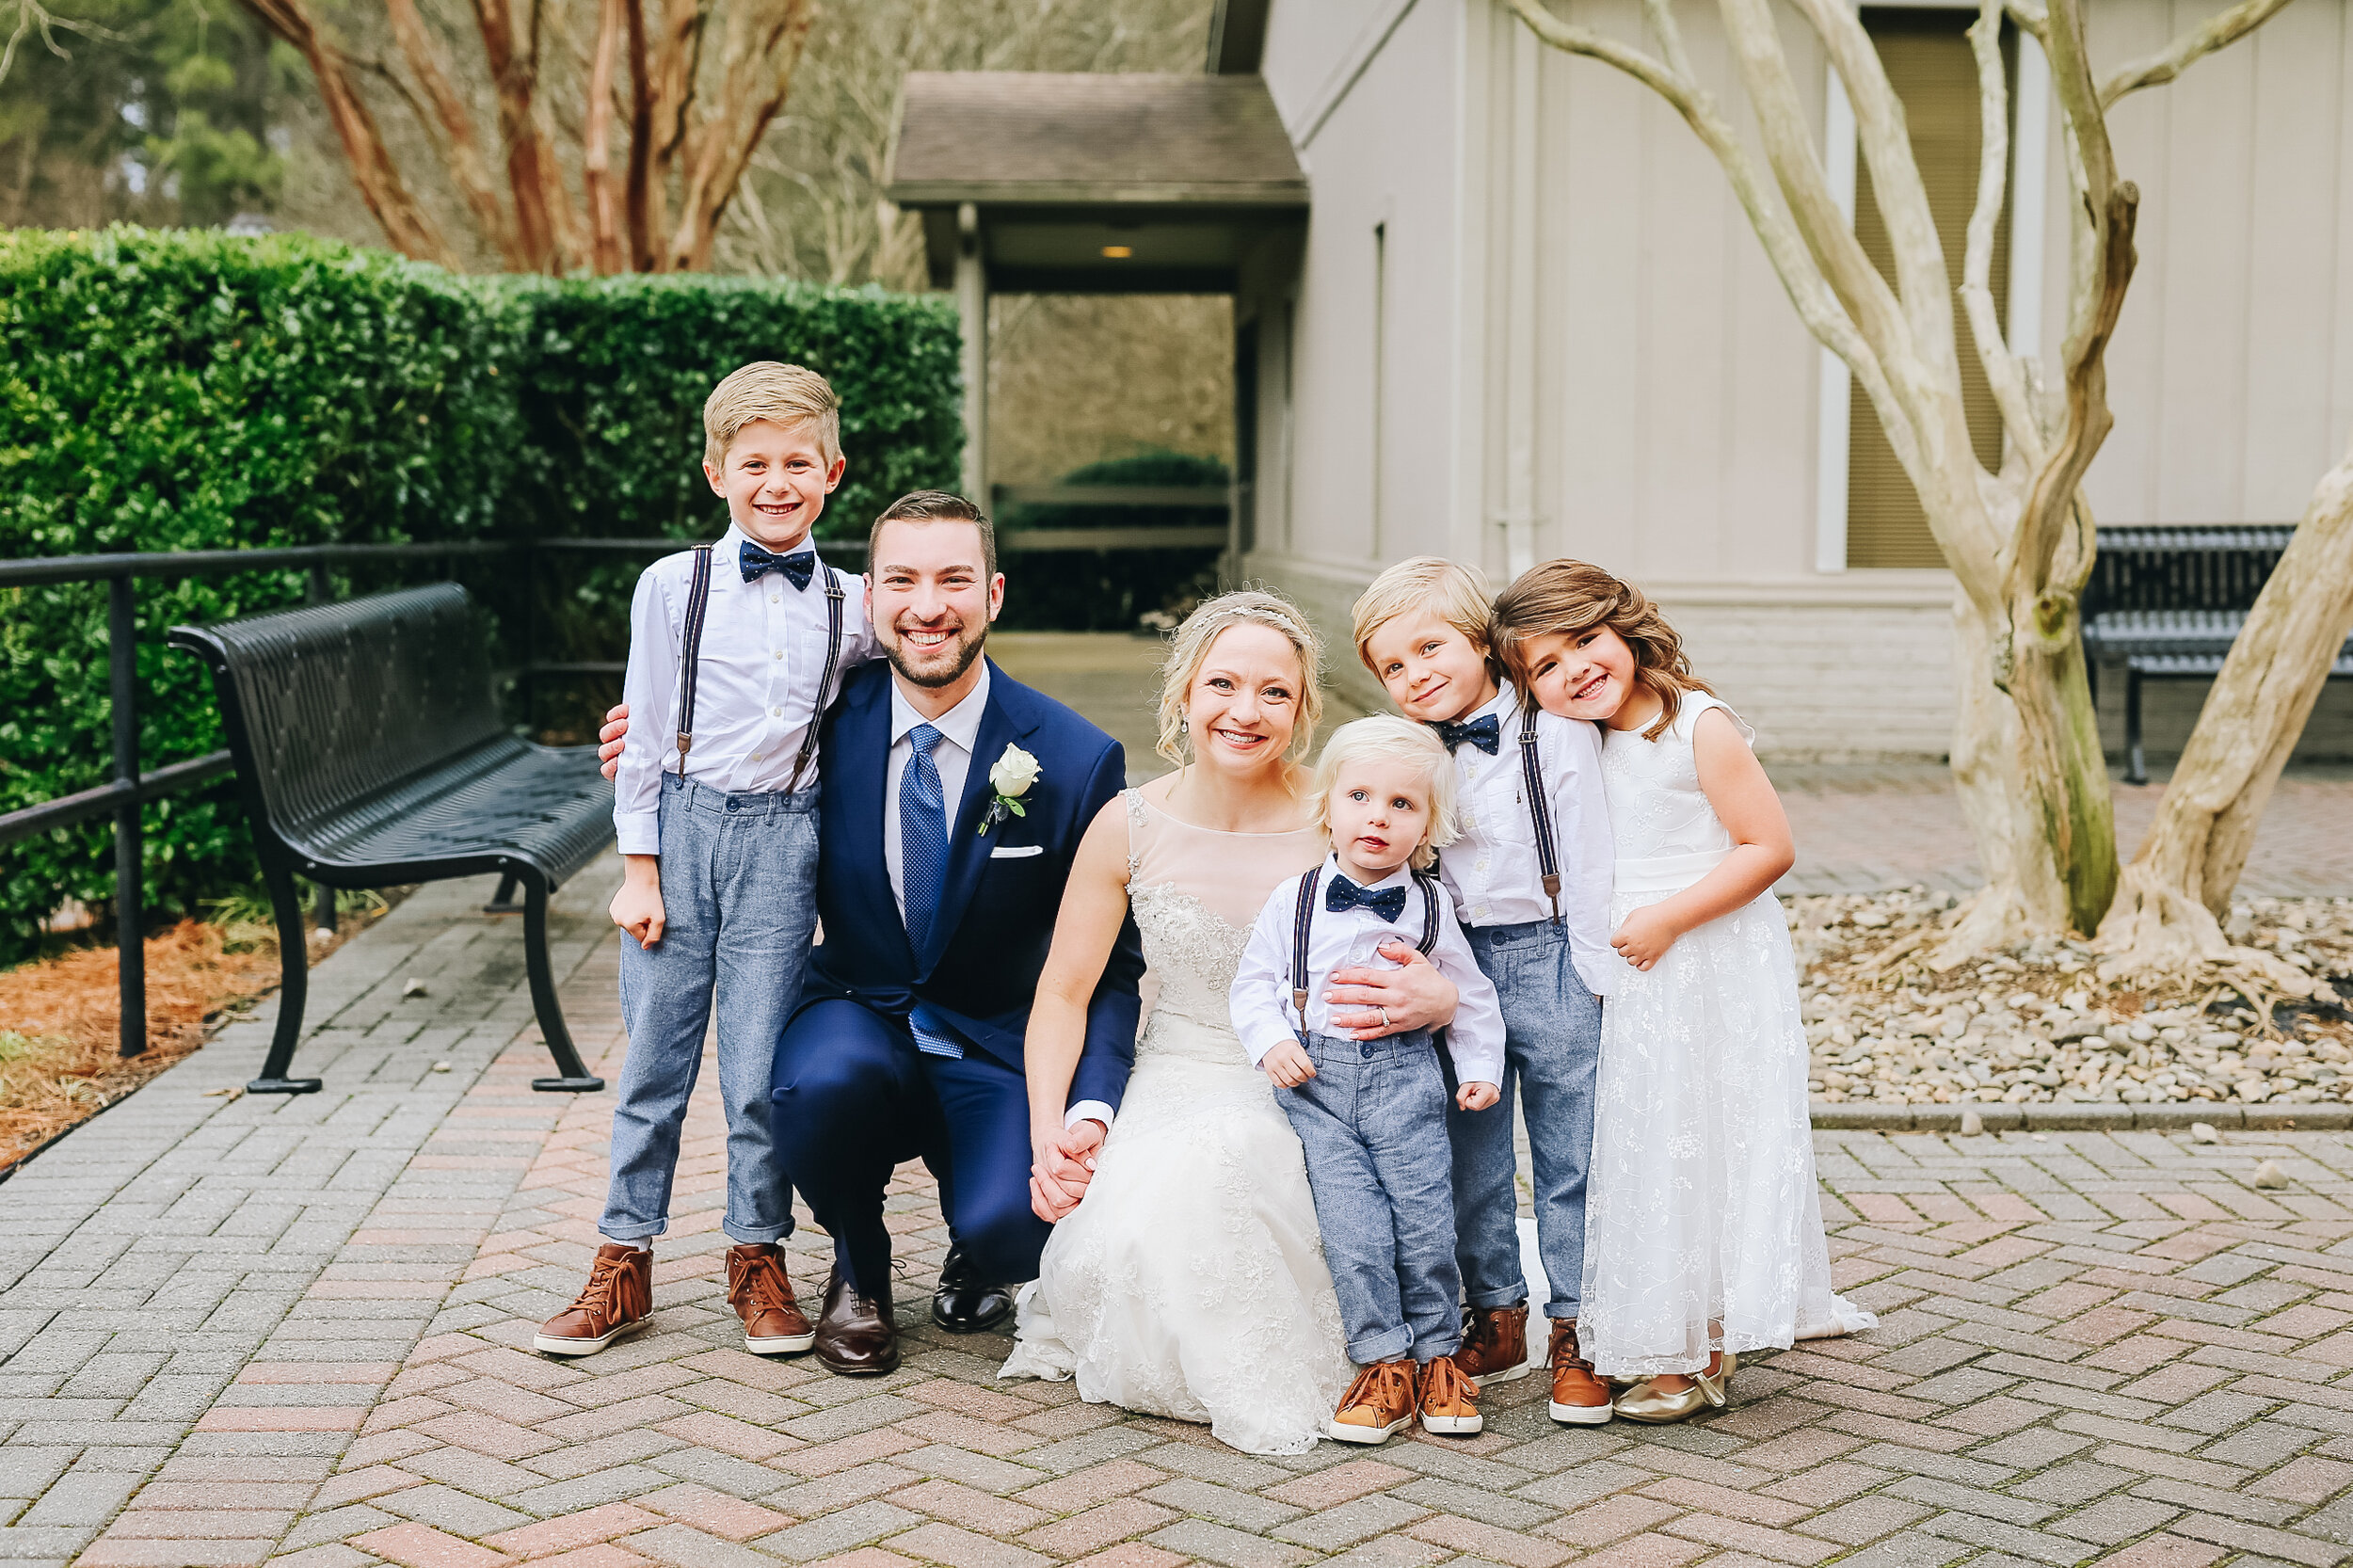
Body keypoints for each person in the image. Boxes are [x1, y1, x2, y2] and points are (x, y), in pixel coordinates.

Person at [599, 489, 1147, 1378]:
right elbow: (708, 745)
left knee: (1017, 1230)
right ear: (868, 596)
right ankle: (859, 1265)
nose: (927, 606)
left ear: (994, 595)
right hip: (859, 1011)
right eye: (902, 579)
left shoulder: (1078, 757)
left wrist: (1087, 1107)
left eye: (953, 580)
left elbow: (1115, 972)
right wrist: (643, 747)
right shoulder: (820, 724)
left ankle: (979, 1235)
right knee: (812, 1088)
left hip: (996, 1039)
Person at [1000, 593, 1465, 1454]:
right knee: (1128, 1230)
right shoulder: (1127, 824)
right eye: (1223, 684)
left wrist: (1444, 1001)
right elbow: (1063, 993)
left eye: (1274, 693)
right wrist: (1046, 1137)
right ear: (1184, 692)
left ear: (1304, 708)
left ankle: (1395, 1354)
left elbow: (1438, 932)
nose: (1245, 712)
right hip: (1176, 1065)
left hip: (1315, 1075)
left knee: (1236, 1166)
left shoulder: (1344, 814)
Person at [537, 362, 873, 1361]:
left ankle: (755, 1255)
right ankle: (623, 1257)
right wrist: (637, 867)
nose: (777, 481)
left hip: (785, 838)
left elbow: (916, 687)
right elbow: (639, 736)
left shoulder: (856, 605)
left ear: (833, 472)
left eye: (798, 463)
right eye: (755, 463)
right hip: (681, 832)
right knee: (654, 1060)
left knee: (761, 1069)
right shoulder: (669, 585)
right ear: (715, 472)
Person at [1491, 559, 1875, 1422]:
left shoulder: (1695, 726)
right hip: (1634, 963)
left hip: (1705, 954)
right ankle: (1669, 1326)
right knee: (1651, 1140)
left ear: (1624, 628)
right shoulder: (1579, 738)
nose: (1573, 671)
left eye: (1583, 643)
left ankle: (1701, 1346)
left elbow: (1765, 847)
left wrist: (1668, 919)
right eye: (1544, 667)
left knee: (1704, 1133)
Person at [1352, 557, 1617, 1425]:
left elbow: (1588, 862)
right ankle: (1496, 1314)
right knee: (1473, 1152)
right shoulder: (1409, 755)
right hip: (1454, 969)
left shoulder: (1554, 731)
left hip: (1553, 953)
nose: (1415, 673)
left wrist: (1595, 976)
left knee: (1572, 1151)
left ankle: (1577, 1327)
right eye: (1393, 666)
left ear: (1483, 644)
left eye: (1431, 647)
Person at [1232, 716, 1506, 1444]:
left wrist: (1478, 1066)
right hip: (1317, 1088)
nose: (1377, 817)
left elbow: (1470, 993)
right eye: (1359, 796)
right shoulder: (1292, 899)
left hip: (1406, 1083)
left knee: (1424, 1228)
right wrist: (1270, 1042)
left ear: (1428, 826)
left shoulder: (1430, 907)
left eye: (1402, 804)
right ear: (1329, 806)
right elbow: (1253, 984)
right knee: (1354, 1232)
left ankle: (1438, 1359)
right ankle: (1382, 1363)